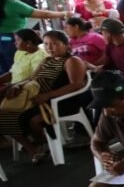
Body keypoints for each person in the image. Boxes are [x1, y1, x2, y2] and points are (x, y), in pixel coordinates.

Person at [0, 30, 88, 164]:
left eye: (54, 44)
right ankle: (35, 149)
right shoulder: (47, 60)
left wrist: (47, 95)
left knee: (33, 120)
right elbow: (31, 78)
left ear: (66, 44)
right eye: (46, 44)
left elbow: (76, 85)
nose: (49, 47)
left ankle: (42, 144)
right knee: (6, 116)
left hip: (63, 102)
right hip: (42, 100)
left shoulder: (72, 61)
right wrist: (19, 85)